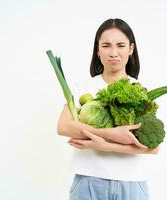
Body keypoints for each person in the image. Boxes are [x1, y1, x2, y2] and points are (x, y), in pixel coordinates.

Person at [57, 18, 159, 200]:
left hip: (132, 184)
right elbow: (64, 127)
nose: (113, 53)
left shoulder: (141, 92)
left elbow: (152, 148)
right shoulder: (82, 87)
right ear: (97, 50)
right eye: (106, 45)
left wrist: (102, 145)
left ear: (131, 49)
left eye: (120, 45)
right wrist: (112, 133)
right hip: (88, 182)